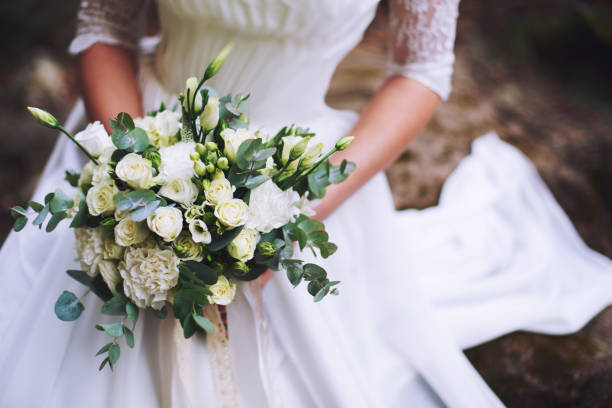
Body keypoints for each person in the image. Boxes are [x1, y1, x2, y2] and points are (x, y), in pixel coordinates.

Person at [1, 0, 611, 406]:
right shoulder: (134, 159)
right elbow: (106, 25)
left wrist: (295, 211)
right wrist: (139, 171)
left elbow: (421, 69)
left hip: (297, 172)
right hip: (136, 131)